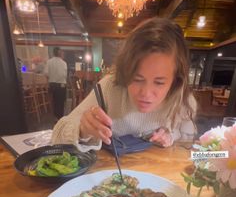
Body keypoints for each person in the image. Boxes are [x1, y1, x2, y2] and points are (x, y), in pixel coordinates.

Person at [51, 18, 197, 151]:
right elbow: (56, 136)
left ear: (175, 81)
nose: (146, 93)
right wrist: (82, 130)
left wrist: (170, 135)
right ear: (126, 71)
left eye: (159, 82)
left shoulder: (183, 99)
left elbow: (188, 140)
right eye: (137, 79)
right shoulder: (110, 86)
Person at [45, 47, 67, 120]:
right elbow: (64, 75)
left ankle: (55, 117)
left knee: (54, 102)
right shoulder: (64, 63)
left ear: (53, 53)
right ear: (60, 53)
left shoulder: (49, 62)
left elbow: (46, 73)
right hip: (61, 85)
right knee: (61, 102)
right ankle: (60, 117)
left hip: (52, 85)